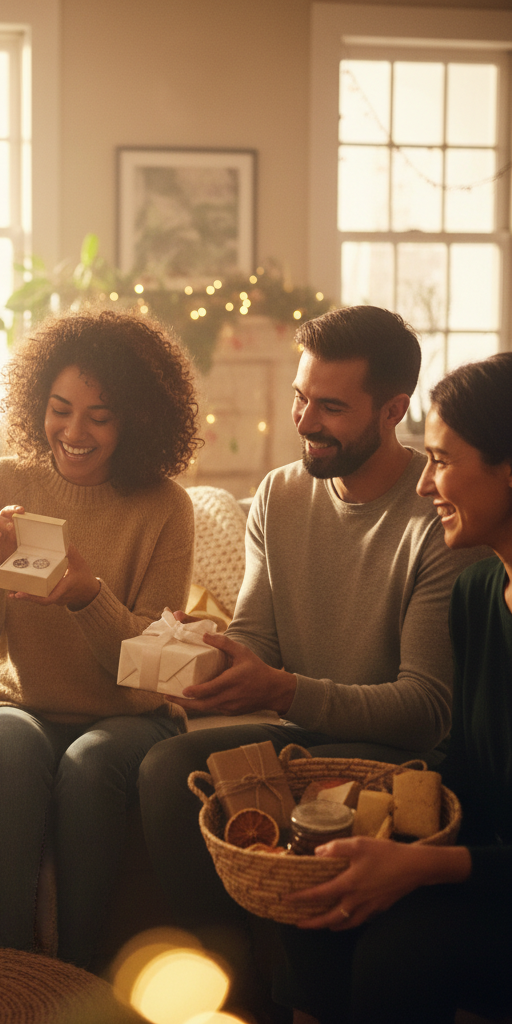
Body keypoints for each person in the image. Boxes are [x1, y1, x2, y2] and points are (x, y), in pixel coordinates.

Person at [137, 306, 484, 1001]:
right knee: (167, 767)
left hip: (390, 755)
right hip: (302, 735)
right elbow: (257, 638)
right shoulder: (281, 493)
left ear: (392, 410)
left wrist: (280, 689)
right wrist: (203, 656)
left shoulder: (437, 516)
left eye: (330, 407)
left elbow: (424, 709)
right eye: (301, 398)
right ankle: (229, 997)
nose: (303, 422)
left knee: (311, 808)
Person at [0, 308, 200, 969]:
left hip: (130, 716)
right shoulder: (2, 482)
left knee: (90, 767)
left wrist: (88, 597)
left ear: (137, 420)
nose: (73, 432)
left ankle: (81, 971)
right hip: (13, 702)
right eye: (60, 410)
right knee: (11, 748)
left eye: (99, 416)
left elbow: (157, 666)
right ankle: (11, 963)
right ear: (38, 404)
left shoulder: (165, 507)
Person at [273, 351, 512, 1024]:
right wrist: (375, 838)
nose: (423, 485)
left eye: (442, 461)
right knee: (315, 896)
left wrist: (424, 870)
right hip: (474, 862)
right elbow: (461, 770)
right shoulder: (478, 593)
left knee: (399, 951)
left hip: (491, 882)